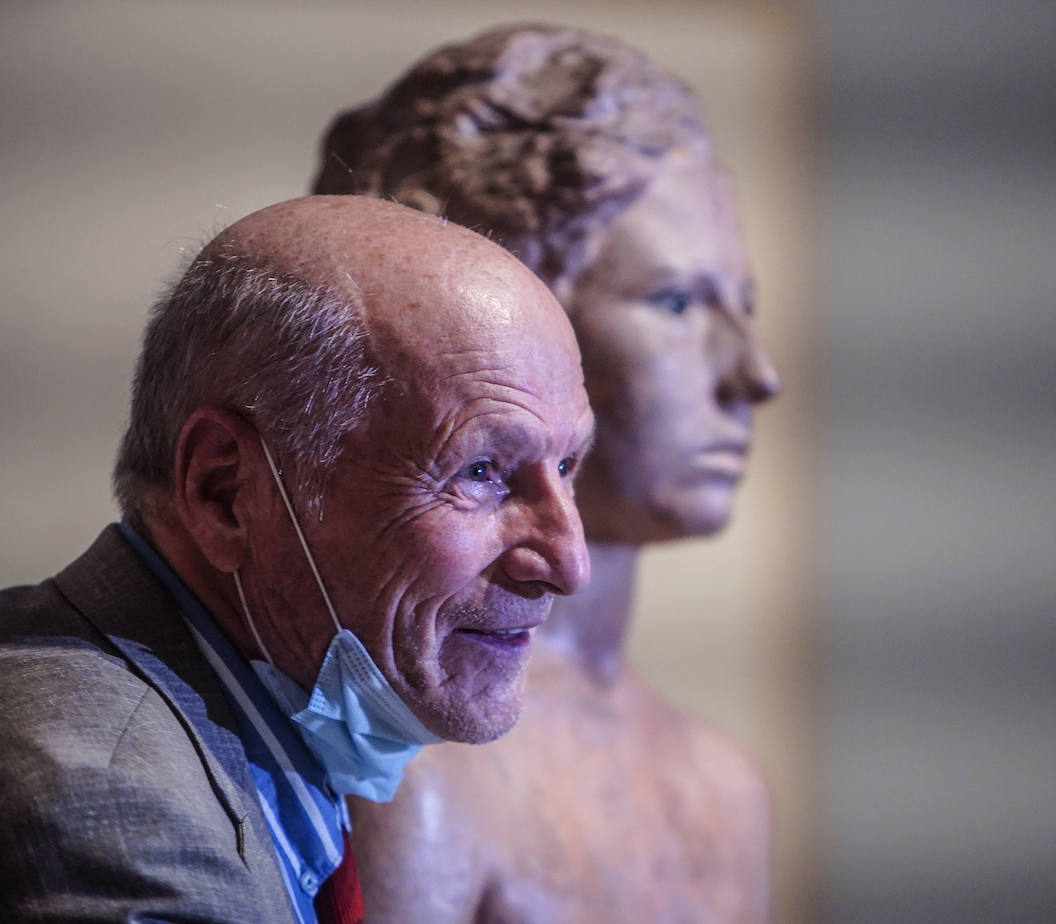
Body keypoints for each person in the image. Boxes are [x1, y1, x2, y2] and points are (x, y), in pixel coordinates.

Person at [0, 194, 593, 923]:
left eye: (567, 467)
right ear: (224, 491)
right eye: (479, 472)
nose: (568, 563)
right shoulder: (119, 811)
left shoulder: (262, 719)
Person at [313, 25, 781, 922]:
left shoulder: (727, 786)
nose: (757, 373)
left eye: (744, 308)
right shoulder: (413, 772)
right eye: (677, 302)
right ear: (505, 327)